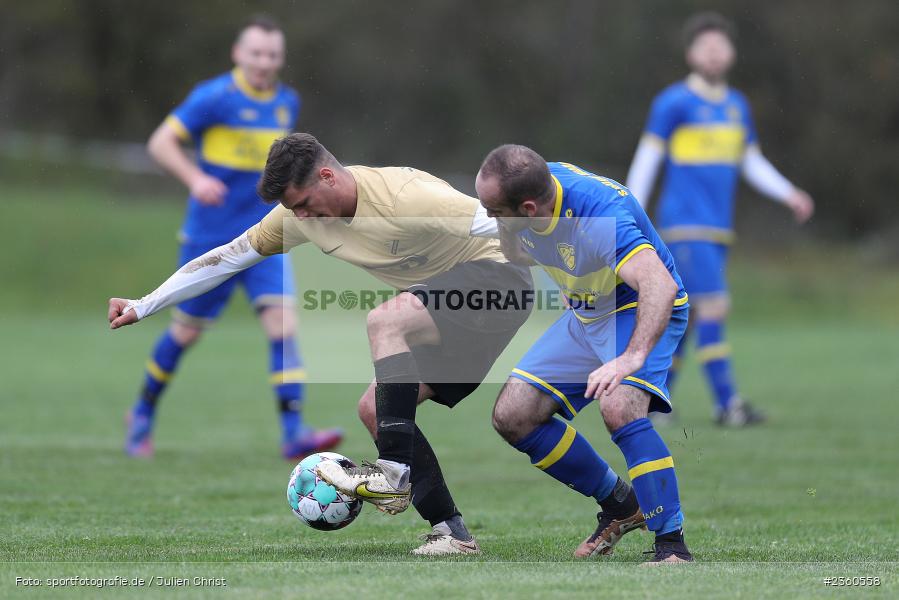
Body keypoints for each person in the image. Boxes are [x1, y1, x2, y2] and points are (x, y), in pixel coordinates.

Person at [108, 133, 533, 556]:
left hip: (500, 278)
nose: (300, 215)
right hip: (456, 310)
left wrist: (579, 278)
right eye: (292, 209)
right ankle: (453, 534)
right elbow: (229, 256)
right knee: (375, 409)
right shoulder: (299, 216)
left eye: (303, 203)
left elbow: (507, 221)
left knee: (385, 321)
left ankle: (392, 474)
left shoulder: (407, 196)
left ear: (328, 176)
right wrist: (145, 304)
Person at [127, 16, 342, 460]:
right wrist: (194, 178)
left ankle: (293, 433)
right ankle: (142, 413)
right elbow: (159, 143)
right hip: (210, 238)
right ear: (238, 54)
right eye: (256, 53)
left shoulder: (286, 102)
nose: (264, 62)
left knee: (283, 325)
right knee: (185, 333)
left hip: (268, 235)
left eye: (272, 55)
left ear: (281, 58)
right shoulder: (213, 97)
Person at [475, 145, 693, 564]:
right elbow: (519, 251)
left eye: (494, 210)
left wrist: (629, 358)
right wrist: (505, 227)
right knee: (514, 415)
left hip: (636, 307)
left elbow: (659, 286)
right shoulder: (531, 185)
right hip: (587, 311)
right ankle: (620, 505)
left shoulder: (598, 218)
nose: (487, 217)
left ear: (529, 206)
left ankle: (671, 545)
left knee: (619, 408)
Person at [625, 12, 814, 426]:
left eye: (720, 46)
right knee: (714, 307)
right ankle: (728, 405)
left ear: (731, 53)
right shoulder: (673, 102)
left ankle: (656, 404)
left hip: (717, 229)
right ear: (691, 54)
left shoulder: (736, 106)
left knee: (687, 318)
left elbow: (751, 162)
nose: (714, 54)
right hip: (684, 225)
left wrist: (789, 194)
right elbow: (648, 159)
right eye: (705, 46)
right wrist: (629, 211)